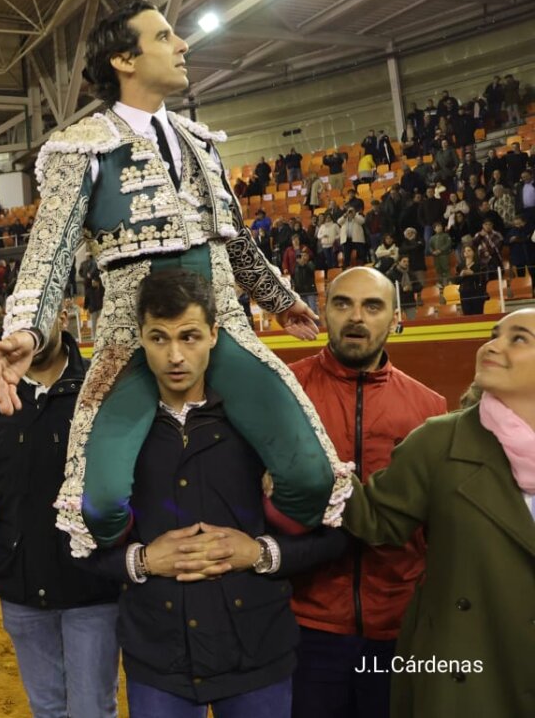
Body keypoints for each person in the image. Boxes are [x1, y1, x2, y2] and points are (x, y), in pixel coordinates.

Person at [0, 0, 345, 556]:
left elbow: (232, 236)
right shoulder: (81, 145)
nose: (183, 46)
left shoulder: (198, 140)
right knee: (98, 505)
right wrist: (29, 332)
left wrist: (278, 299)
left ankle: (246, 557)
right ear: (124, 59)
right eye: (165, 37)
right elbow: (49, 250)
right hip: (132, 339)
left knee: (313, 479)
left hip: (222, 324)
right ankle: (150, 564)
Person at [88, 269, 346, 716]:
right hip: (159, 657)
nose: (174, 356)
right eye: (158, 338)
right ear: (140, 340)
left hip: (255, 650)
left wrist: (261, 553)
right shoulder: (110, 433)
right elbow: (75, 544)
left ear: (214, 334)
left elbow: (340, 532)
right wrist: (142, 560)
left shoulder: (264, 425)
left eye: (189, 337)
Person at [342, 309, 535, 717]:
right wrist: (304, 470)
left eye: (518, 339)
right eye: (494, 334)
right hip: (468, 674)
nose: (492, 346)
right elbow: (374, 520)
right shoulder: (439, 439)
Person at [288, 268, 448, 718]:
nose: (356, 317)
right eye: (342, 304)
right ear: (324, 312)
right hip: (307, 624)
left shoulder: (430, 409)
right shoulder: (286, 392)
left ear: (396, 318)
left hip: (399, 627)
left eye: (372, 306)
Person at [0, 306, 120, 718]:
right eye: (17, 315)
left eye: (38, 312)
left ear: (63, 313)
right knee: (46, 708)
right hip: (20, 580)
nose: (26, 325)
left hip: (92, 582)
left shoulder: (101, 384)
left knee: (92, 710)